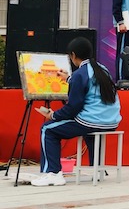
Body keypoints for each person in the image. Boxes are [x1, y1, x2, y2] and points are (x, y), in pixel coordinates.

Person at [32, 37, 122, 187]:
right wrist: (69, 79)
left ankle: (53, 173)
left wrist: (53, 115)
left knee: (47, 129)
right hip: (111, 121)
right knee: (89, 130)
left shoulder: (80, 74)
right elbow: (89, 87)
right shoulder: (102, 69)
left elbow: (73, 108)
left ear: (73, 55)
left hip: (91, 121)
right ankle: (97, 168)